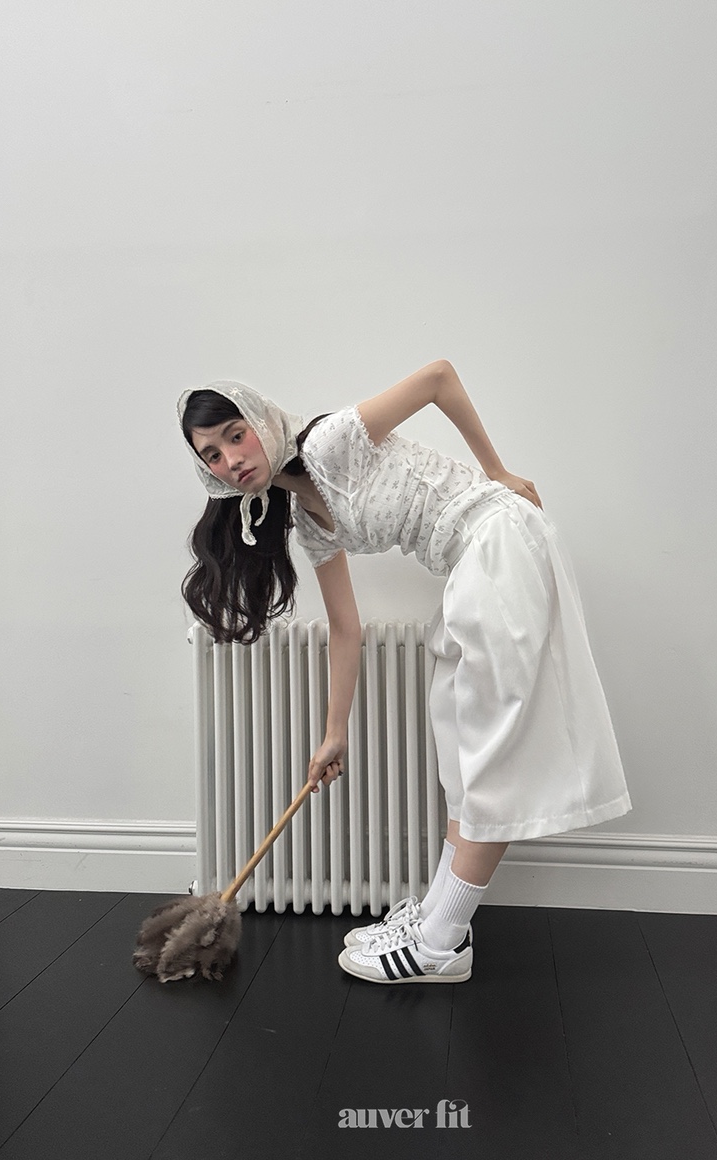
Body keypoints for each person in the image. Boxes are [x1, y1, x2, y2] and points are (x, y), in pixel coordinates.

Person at [177, 360, 632, 985]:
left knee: (489, 755)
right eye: (213, 454)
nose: (232, 459)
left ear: (261, 419)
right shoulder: (305, 518)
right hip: (473, 562)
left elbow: (438, 377)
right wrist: (334, 735)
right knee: (460, 748)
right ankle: (438, 922)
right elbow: (346, 629)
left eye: (236, 435)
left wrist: (496, 471)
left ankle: (440, 944)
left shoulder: (332, 441)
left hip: (497, 539)